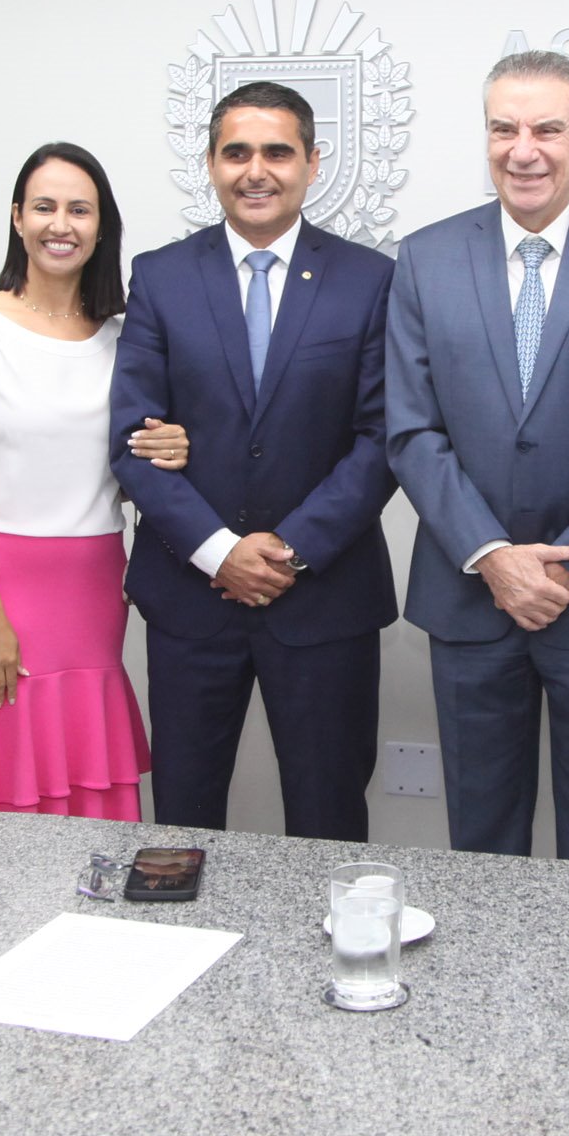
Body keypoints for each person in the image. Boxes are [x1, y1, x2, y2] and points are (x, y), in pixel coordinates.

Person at [385, 49, 569, 865]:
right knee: (482, 843)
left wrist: (562, 567)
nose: (524, 150)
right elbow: (411, 429)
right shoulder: (425, 258)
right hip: (469, 596)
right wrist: (492, 556)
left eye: (547, 130)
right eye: (504, 129)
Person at [111, 82, 399, 840]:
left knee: (330, 819)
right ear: (211, 164)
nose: (256, 170)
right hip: (190, 596)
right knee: (184, 822)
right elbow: (132, 439)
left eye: (277, 152)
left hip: (325, 598)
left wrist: (288, 549)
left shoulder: (371, 280)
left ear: (312, 162)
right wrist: (219, 552)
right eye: (236, 153)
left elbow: (382, 438)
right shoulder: (161, 276)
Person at [0, 143, 182, 818]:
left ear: (102, 226)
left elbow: (126, 466)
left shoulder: (126, 339)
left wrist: (174, 448)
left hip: (90, 581)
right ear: (17, 218)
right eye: (44, 207)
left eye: (79, 210)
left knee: (82, 764)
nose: (61, 225)